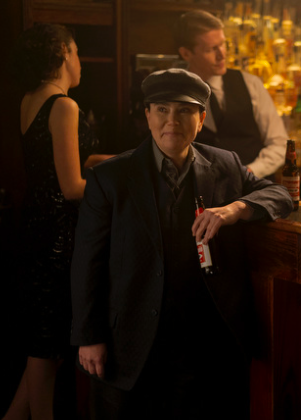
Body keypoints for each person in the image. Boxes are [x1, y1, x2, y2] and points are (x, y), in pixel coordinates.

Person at [70, 68, 293, 419]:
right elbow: (87, 262)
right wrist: (88, 336)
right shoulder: (109, 177)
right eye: (162, 109)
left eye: (184, 110)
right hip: (129, 342)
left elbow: (281, 195)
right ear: (147, 116)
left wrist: (236, 208)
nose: (172, 121)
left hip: (205, 343)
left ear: (201, 120)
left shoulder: (226, 164)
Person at [4, 23, 112, 420]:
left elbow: (61, 164)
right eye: (77, 52)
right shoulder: (64, 105)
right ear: (64, 53)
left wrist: (118, 162)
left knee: (44, 342)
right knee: (47, 345)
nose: (81, 61)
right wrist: (116, 190)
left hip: (35, 226)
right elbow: (70, 187)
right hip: (57, 235)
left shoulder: (31, 98)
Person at [173, 10, 287, 180]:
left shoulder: (251, 84)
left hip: (253, 190)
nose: (222, 55)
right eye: (211, 49)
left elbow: (280, 144)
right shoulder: (174, 93)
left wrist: (249, 172)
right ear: (186, 54)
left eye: (223, 44)